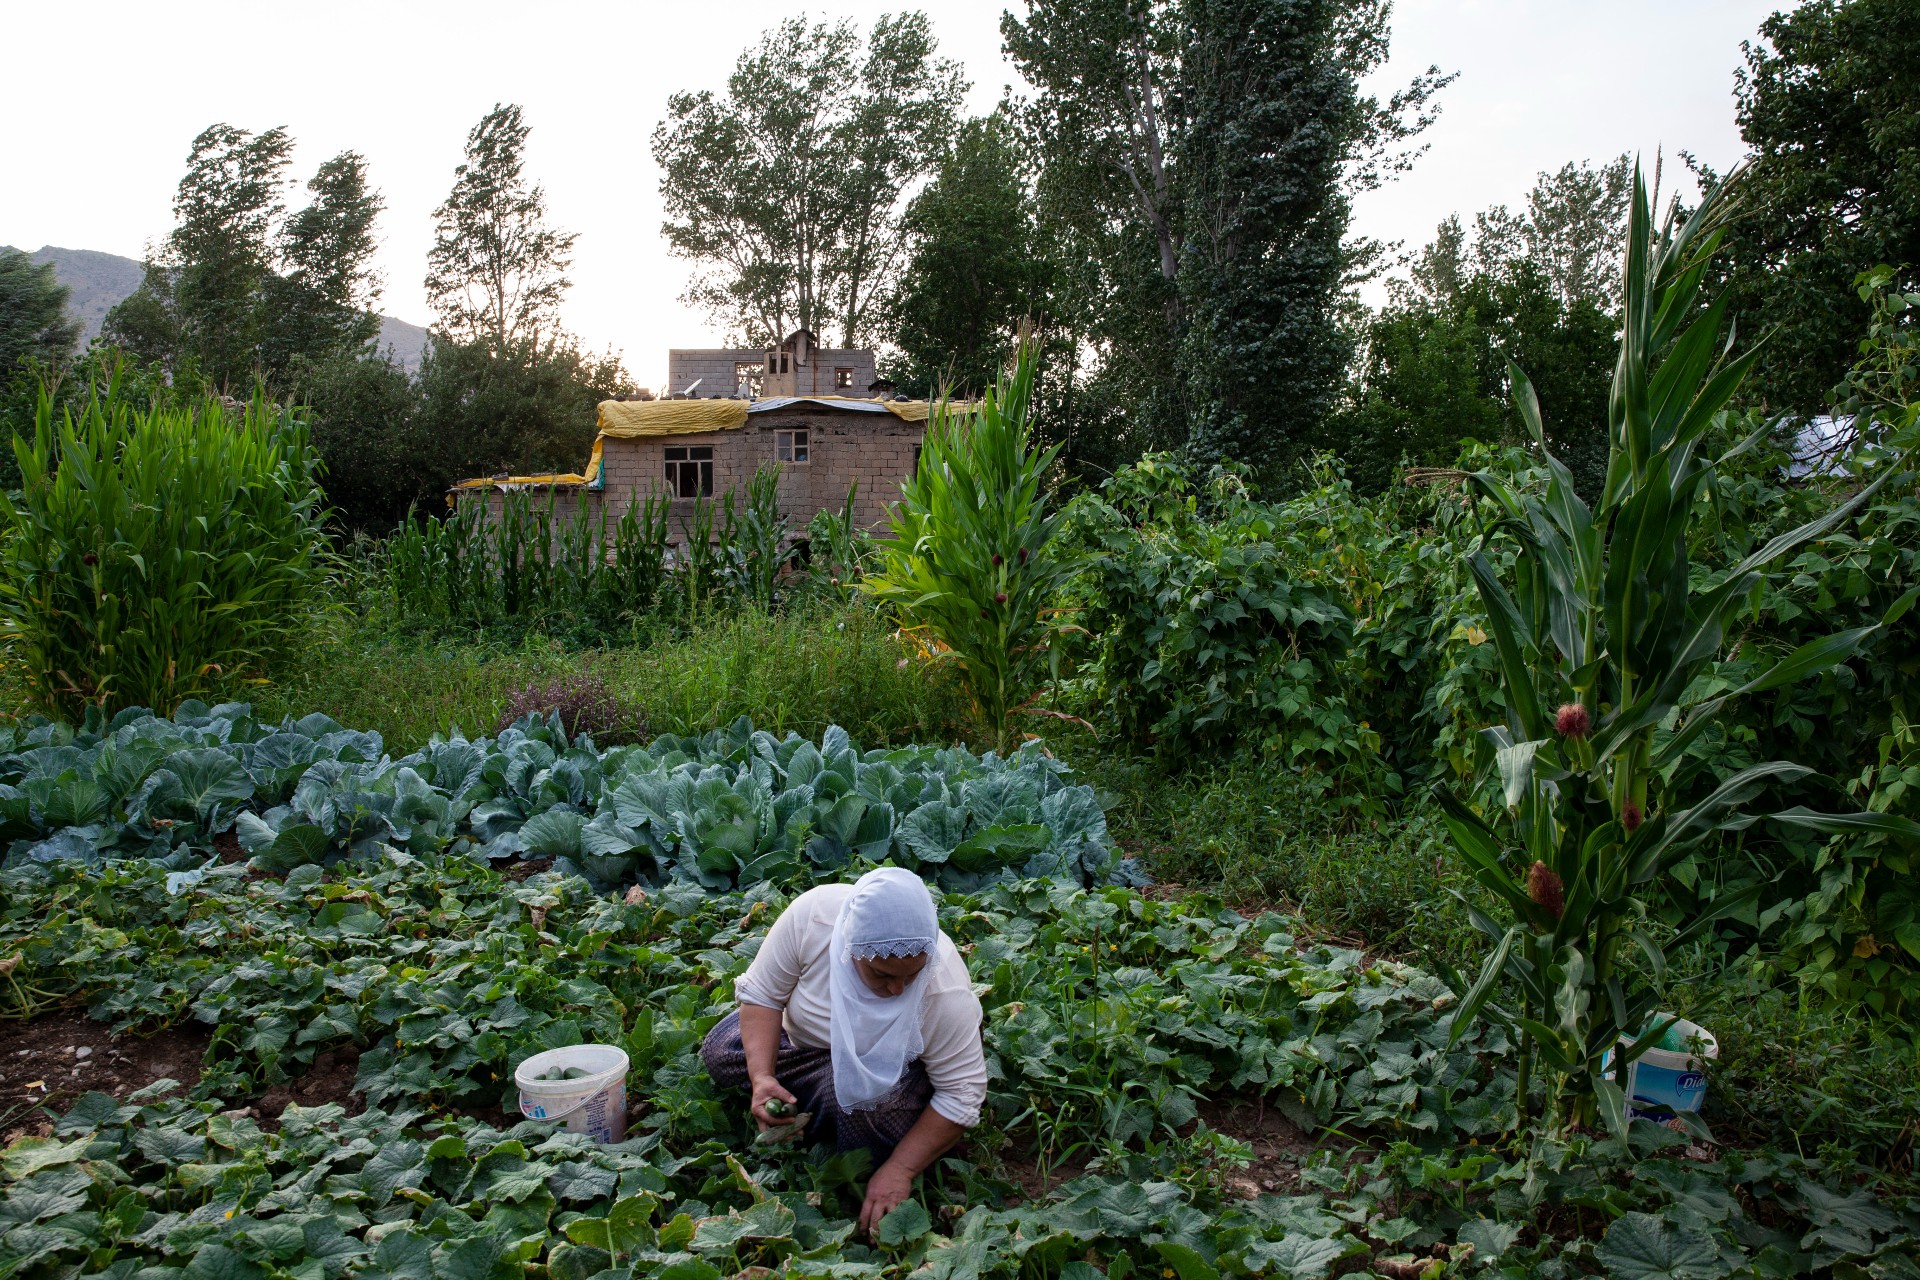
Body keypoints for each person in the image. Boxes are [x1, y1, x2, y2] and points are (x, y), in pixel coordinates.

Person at [701, 867, 985, 1233]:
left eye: (911, 975)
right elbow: (763, 995)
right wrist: (762, 1077)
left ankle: (842, 1116)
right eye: (883, 975)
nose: (898, 989)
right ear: (850, 951)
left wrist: (900, 1170)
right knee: (722, 1050)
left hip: (895, 1069)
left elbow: (962, 1094)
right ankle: (822, 1109)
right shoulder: (815, 917)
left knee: (865, 1107)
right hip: (804, 1048)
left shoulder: (946, 991)